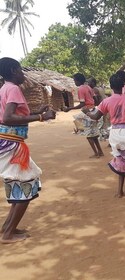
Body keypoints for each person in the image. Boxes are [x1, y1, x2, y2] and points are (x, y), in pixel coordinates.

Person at [0, 57, 56, 243]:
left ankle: (8, 227)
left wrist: (36, 112)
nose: (23, 73)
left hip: (9, 143)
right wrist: (40, 116)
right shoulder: (14, 88)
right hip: (12, 144)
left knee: (18, 182)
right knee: (27, 185)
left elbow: (15, 115)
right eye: (21, 70)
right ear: (15, 70)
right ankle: (8, 233)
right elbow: (8, 118)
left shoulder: (5, 88)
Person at [63, 73, 104, 158]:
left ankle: (96, 153)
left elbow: (82, 104)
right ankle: (100, 151)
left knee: (89, 136)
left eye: (74, 80)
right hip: (93, 110)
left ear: (78, 80)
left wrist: (70, 108)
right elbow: (95, 99)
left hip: (87, 112)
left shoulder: (81, 89)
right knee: (94, 135)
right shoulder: (88, 87)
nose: (74, 82)